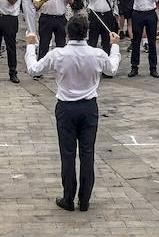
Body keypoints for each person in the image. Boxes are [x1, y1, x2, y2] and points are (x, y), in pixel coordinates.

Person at [24, 14, 121, 213]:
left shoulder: (58, 54)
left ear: (67, 33)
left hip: (66, 108)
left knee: (67, 154)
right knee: (87, 154)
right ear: (86, 33)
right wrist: (115, 46)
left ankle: (68, 197)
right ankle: (84, 200)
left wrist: (30, 46)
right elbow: (112, 69)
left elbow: (34, 69)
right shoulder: (97, 54)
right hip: (88, 108)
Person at [128, 0, 159, 77]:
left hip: (151, 12)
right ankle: (134, 67)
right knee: (136, 42)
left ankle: (153, 68)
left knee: (152, 42)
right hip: (138, 13)